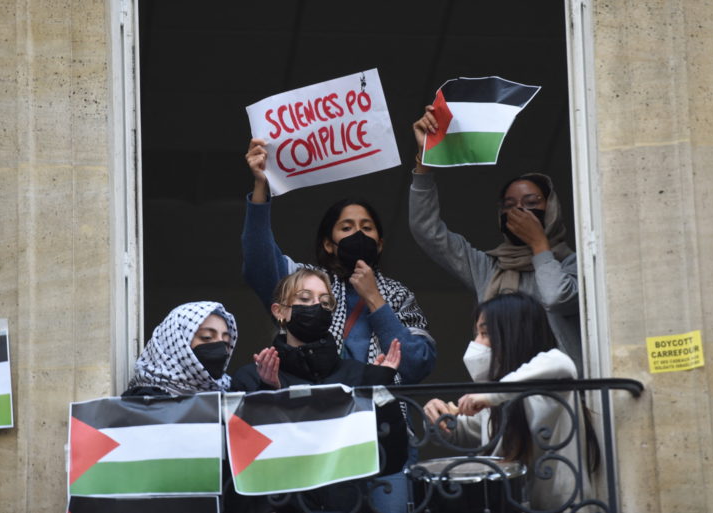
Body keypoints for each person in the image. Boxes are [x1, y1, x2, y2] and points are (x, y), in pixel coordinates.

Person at [243, 138, 436, 385]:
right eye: (346, 227)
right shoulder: (306, 281)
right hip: (318, 414)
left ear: (379, 243)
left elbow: (417, 364)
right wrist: (261, 186)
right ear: (328, 243)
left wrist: (374, 299)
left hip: (378, 418)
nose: (358, 234)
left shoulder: (399, 295)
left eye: (367, 228)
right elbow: (259, 262)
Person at [409, 107, 582, 370]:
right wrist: (424, 163)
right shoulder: (488, 267)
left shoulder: (576, 265)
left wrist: (539, 246)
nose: (519, 210)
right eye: (509, 204)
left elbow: (556, 297)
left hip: (559, 398)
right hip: (502, 391)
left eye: (531, 202)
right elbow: (428, 230)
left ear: (552, 209)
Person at [231, 268, 409, 513]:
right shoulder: (250, 378)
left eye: (325, 302)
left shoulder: (357, 374)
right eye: (305, 299)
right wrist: (268, 394)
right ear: (280, 312)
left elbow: (393, 459)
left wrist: (382, 390)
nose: (316, 306)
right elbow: (245, 468)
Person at [423, 292, 598, 510]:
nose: (476, 343)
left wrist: (491, 396)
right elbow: (461, 431)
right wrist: (436, 417)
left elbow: (561, 363)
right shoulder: (494, 397)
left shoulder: (547, 385)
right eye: (476, 333)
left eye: (485, 333)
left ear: (514, 335)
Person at [124, 301, 237, 396]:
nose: (220, 348)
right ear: (175, 343)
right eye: (206, 337)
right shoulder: (145, 401)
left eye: (226, 343)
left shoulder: (228, 394)